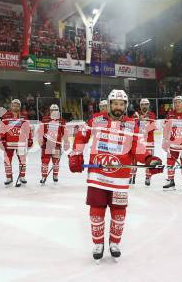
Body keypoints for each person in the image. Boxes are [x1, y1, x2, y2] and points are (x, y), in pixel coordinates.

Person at [68, 90, 162, 261]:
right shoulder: (96, 119)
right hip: (98, 175)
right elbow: (81, 137)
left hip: (120, 177)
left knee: (119, 212)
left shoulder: (133, 124)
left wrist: (150, 159)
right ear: (110, 104)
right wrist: (76, 154)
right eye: (115, 103)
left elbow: (138, 148)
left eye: (121, 104)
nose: (118, 107)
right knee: (96, 210)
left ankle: (114, 242)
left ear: (125, 106)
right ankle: (98, 243)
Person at [0, 99, 33, 186]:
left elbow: (27, 129)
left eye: (17, 105)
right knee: (7, 160)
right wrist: (2, 139)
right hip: (8, 143)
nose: (15, 107)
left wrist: (30, 139)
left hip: (20, 144)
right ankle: (9, 177)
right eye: (14, 105)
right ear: (11, 106)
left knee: (22, 161)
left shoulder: (24, 117)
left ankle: (22, 177)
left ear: (20, 106)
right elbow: (2, 129)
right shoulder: (6, 116)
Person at [38, 104, 69, 185]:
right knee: (45, 161)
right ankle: (43, 176)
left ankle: (55, 175)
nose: (54, 111)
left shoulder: (61, 121)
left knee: (56, 162)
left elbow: (65, 132)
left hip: (57, 145)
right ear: (50, 110)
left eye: (56, 110)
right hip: (46, 144)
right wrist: (40, 139)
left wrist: (66, 142)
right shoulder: (45, 119)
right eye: (52, 110)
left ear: (58, 111)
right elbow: (41, 130)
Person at [129, 98, 157, 186]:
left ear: (148, 105)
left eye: (146, 104)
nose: (144, 106)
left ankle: (148, 177)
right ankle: (131, 176)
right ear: (140, 106)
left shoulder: (152, 115)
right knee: (133, 160)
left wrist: (141, 121)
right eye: (142, 104)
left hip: (149, 142)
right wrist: (139, 121)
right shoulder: (135, 115)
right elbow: (131, 126)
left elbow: (152, 127)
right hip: (138, 142)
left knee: (149, 160)